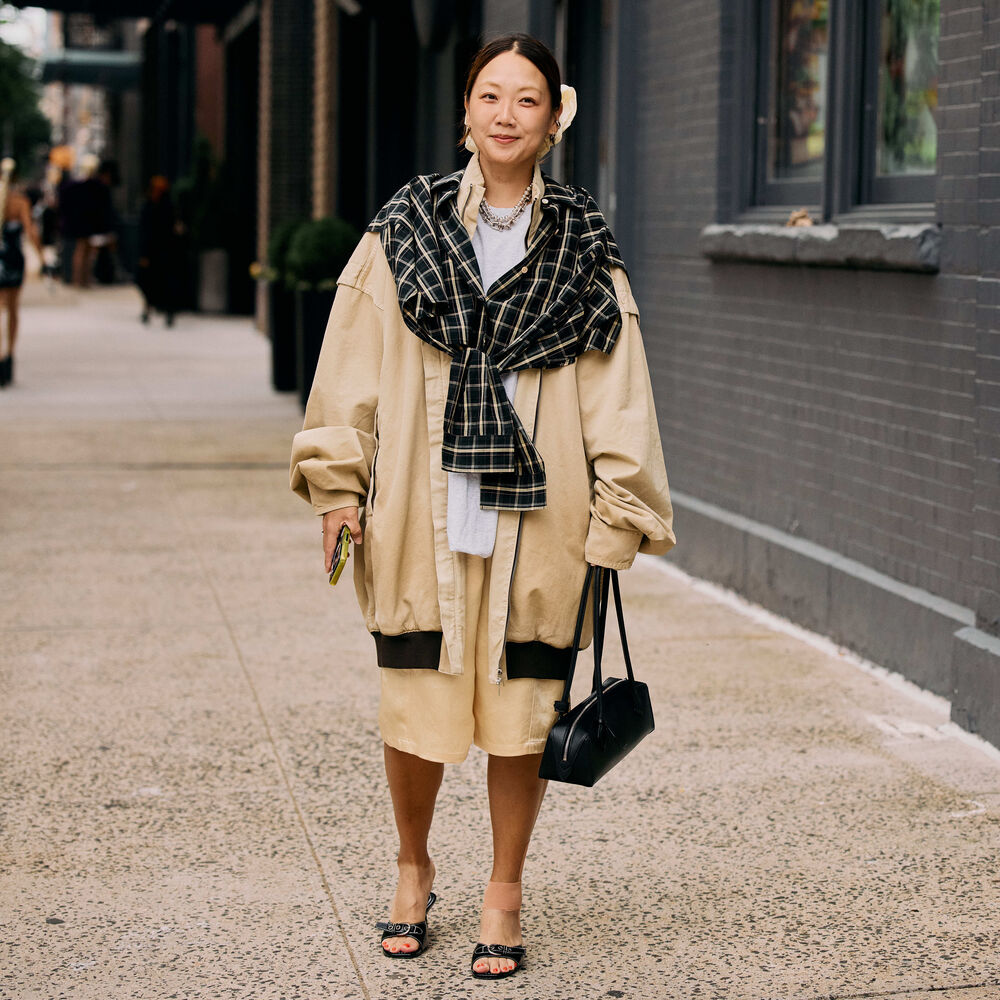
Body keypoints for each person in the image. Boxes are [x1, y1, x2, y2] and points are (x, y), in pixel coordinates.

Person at [289, 33, 674, 981]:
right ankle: (412, 865)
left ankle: (504, 890)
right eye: (490, 95)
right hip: (419, 504)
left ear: (554, 121)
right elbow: (350, 370)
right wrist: (338, 485)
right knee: (414, 701)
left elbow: (617, 388)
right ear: (465, 112)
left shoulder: (581, 245)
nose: (506, 113)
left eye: (527, 100)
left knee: (521, 709)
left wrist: (618, 513)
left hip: (540, 513)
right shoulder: (403, 231)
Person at [0, 158, 43, 387]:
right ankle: (9, 354)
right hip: (14, 259)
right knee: (13, 309)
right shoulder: (20, 202)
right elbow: (31, 231)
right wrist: (42, 257)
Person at [136, 175, 180, 326]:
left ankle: (168, 311)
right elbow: (144, 231)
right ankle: (148, 309)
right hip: (152, 251)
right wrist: (143, 254)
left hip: (165, 251)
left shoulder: (167, 207)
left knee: (166, 283)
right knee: (148, 282)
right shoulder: (148, 206)